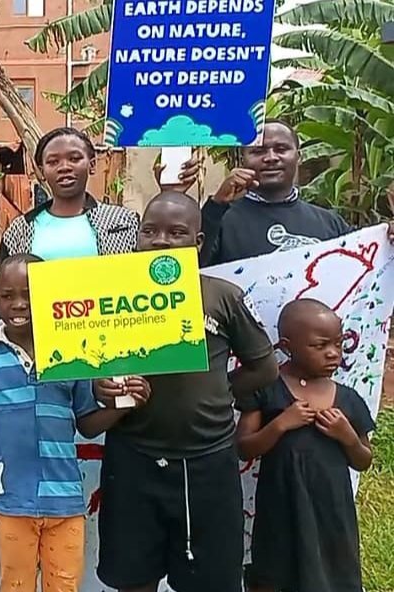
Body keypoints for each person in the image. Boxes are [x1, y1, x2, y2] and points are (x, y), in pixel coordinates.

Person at [94, 191, 279, 592]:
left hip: (207, 460)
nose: (161, 240)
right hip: (133, 456)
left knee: (210, 580)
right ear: (137, 238)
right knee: (133, 576)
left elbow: (264, 367)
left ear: (198, 242)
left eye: (177, 232)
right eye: (150, 231)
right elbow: (89, 366)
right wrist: (102, 384)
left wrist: (219, 390)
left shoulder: (220, 295)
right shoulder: (108, 295)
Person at [0, 253, 146, 592]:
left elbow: (87, 424)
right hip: (12, 500)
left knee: (64, 587)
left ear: (49, 296)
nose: (18, 304)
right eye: (7, 295)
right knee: (16, 585)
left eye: (29, 295)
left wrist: (126, 405)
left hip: (66, 502)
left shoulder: (70, 353)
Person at [236, 299, 373, 592]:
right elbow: (244, 448)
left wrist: (347, 435)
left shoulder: (348, 399)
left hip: (331, 509)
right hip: (281, 503)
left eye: (338, 343)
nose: (333, 353)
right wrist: (281, 423)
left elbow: (363, 460)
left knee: (334, 571)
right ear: (287, 346)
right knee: (274, 570)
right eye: (320, 346)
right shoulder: (268, 388)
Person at [161, 121, 393, 266]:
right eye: (258, 151)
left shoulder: (330, 223)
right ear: (243, 159)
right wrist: (215, 205)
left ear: (298, 156)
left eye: (281, 149)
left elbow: (367, 264)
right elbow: (186, 271)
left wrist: (389, 236)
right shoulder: (217, 218)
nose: (271, 157)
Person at [0, 127, 138, 317]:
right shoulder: (19, 231)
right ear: (41, 171)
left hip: (111, 333)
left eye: (74, 158)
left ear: (92, 164)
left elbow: (155, 273)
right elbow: (1, 299)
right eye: (53, 162)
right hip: (40, 340)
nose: (64, 167)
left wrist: (173, 191)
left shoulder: (124, 223)